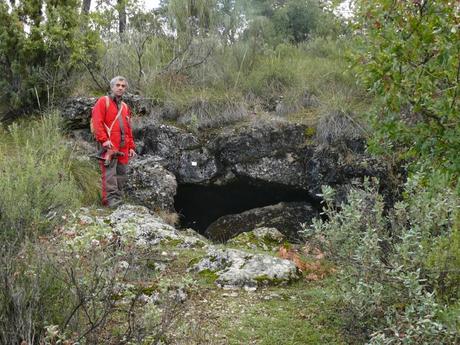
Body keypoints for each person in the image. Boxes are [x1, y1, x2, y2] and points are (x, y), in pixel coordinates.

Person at [91, 76, 137, 207]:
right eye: (118, 85)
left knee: (121, 173)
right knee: (110, 174)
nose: (120, 88)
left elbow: (128, 128)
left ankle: (118, 198)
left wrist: (131, 146)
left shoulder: (125, 107)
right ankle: (110, 201)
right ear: (112, 87)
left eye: (123, 86)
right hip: (109, 145)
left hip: (123, 146)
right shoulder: (103, 101)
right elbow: (97, 122)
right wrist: (104, 140)